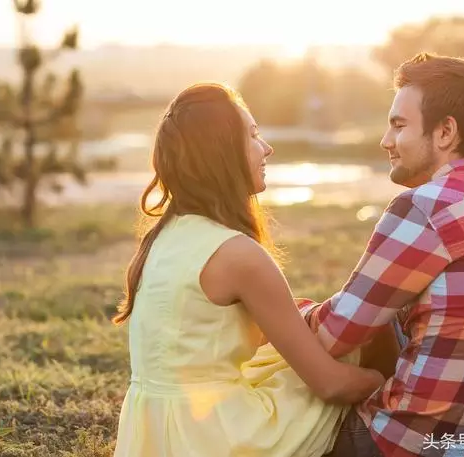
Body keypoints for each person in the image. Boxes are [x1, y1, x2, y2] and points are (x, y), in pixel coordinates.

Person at [298, 53, 464, 457]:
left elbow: (332, 336)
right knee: (383, 316)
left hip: (418, 445)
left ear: (445, 132)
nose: (386, 140)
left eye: (399, 125)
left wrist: (291, 313)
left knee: (286, 420)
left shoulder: (424, 207)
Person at [111, 82, 384, 457]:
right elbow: (331, 385)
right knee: (358, 349)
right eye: (254, 135)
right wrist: (386, 380)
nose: (267, 147)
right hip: (218, 437)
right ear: (221, 153)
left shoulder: (162, 239)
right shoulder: (238, 253)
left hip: (156, 432)